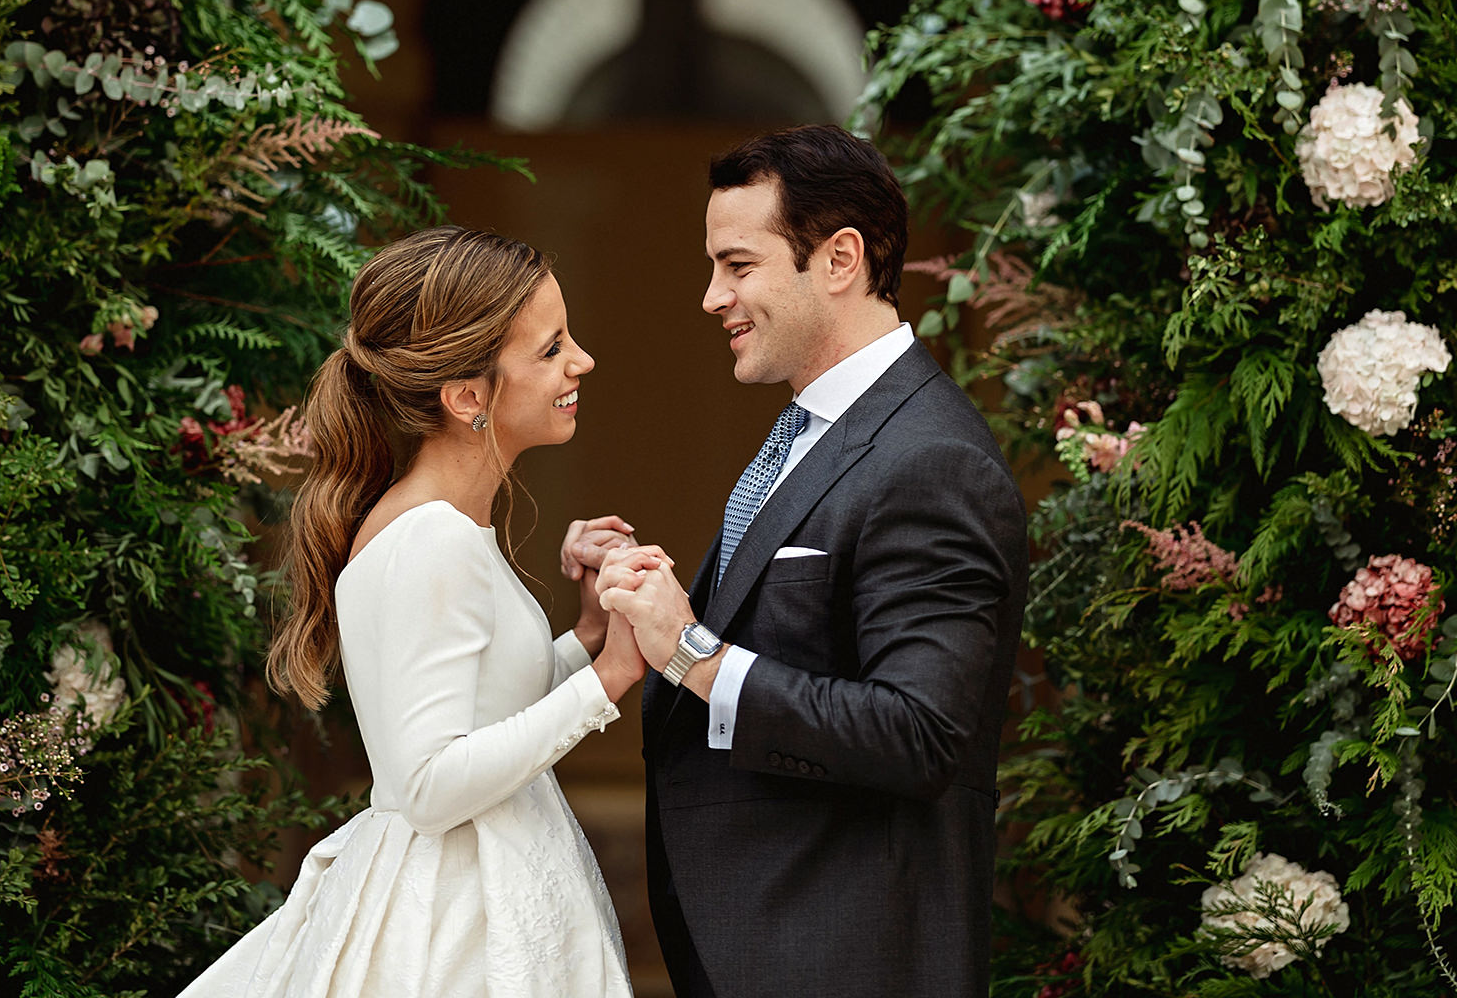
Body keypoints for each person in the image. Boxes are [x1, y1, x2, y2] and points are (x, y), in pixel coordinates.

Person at [568, 124, 1029, 998]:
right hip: (768, 949)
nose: (711, 297)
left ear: (840, 258)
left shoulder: (932, 458)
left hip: (852, 959)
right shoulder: (812, 434)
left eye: (737, 266)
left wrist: (691, 651)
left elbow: (918, 733)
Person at [181, 226, 652, 998]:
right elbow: (429, 785)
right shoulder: (431, 539)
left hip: (490, 886)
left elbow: (484, 712)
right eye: (551, 349)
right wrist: (608, 680)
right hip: (457, 929)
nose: (582, 362)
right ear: (469, 396)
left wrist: (588, 636)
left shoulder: (452, 528)